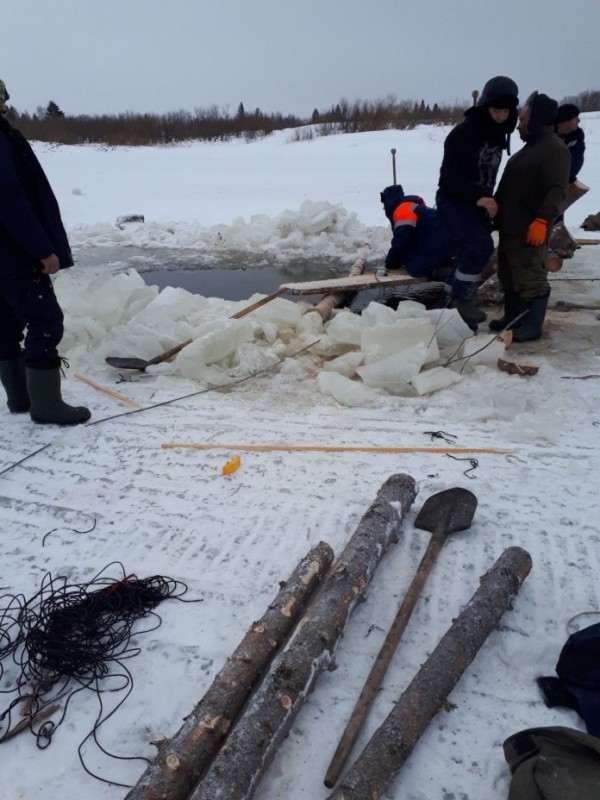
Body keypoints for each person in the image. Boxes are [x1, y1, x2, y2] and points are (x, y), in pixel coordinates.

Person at [0, 79, 90, 424]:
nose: (4, 106)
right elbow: (10, 201)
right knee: (45, 321)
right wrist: (42, 249)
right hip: (13, 253)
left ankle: (20, 398)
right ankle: (46, 405)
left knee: (5, 322)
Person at [436, 76, 519, 327]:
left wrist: (488, 199)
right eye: (496, 110)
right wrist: (478, 197)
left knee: (467, 251)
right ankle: (462, 300)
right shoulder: (464, 134)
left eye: (505, 112)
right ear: (485, 107)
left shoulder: (498, 134)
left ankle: (448, 305)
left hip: (478, 204)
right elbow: (448, 178)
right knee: (478, 247)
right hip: (453, 200)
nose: (501, 116)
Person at [492, 91, 570, 342]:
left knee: (530, 276)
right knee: (509, 275)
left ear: (536, 120)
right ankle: (513, 318)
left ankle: (532, 326)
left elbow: (557, 190)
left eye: (523, 119)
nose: (518, 125)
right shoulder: (532, 148)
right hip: (511, 226)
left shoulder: (554, 150)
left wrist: (542, 221)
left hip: (530, 227)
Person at [379, 184, 454, 280]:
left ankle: (452, 275)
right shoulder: (415, 206)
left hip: (439, 242)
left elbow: (401, 240)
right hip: (450, 241)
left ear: (389, 202)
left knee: (417, 267)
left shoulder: (403, 210)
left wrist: (391, 263)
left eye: (384, 204)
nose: (383, 208)